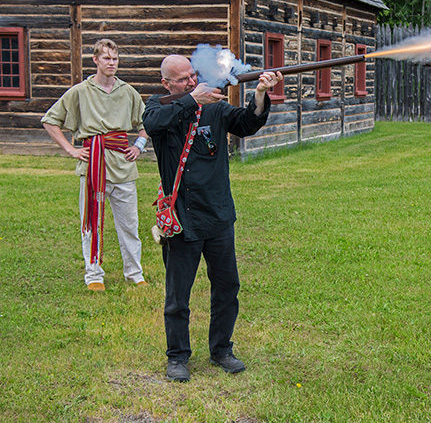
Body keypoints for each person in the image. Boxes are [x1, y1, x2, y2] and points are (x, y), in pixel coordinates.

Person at [143, 54, 281, 382]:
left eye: (193, 76)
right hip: (181, 217)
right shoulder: (158, 106)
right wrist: (192, 99)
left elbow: (247, 123)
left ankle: (221, 350)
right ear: (167, 84)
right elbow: (153, 124)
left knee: (227, 287)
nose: (192, 81)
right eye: (183, 79)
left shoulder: (215, 108)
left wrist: (260, 92)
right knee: (178, 296)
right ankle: (177, 357)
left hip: (218, 214)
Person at [41, 38, 149, 291]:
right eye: (106, 58)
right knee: (90, 222)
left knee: (129, 225)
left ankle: (134, 273)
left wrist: (138, 146)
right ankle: (94, 276)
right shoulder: (80, 91)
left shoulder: (128, 91)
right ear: (96, 60)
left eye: (115, 59)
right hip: (93, 166)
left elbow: (147, 124)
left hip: (122, 165)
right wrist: (70, 149)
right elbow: (50, 120)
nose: (111, 63)